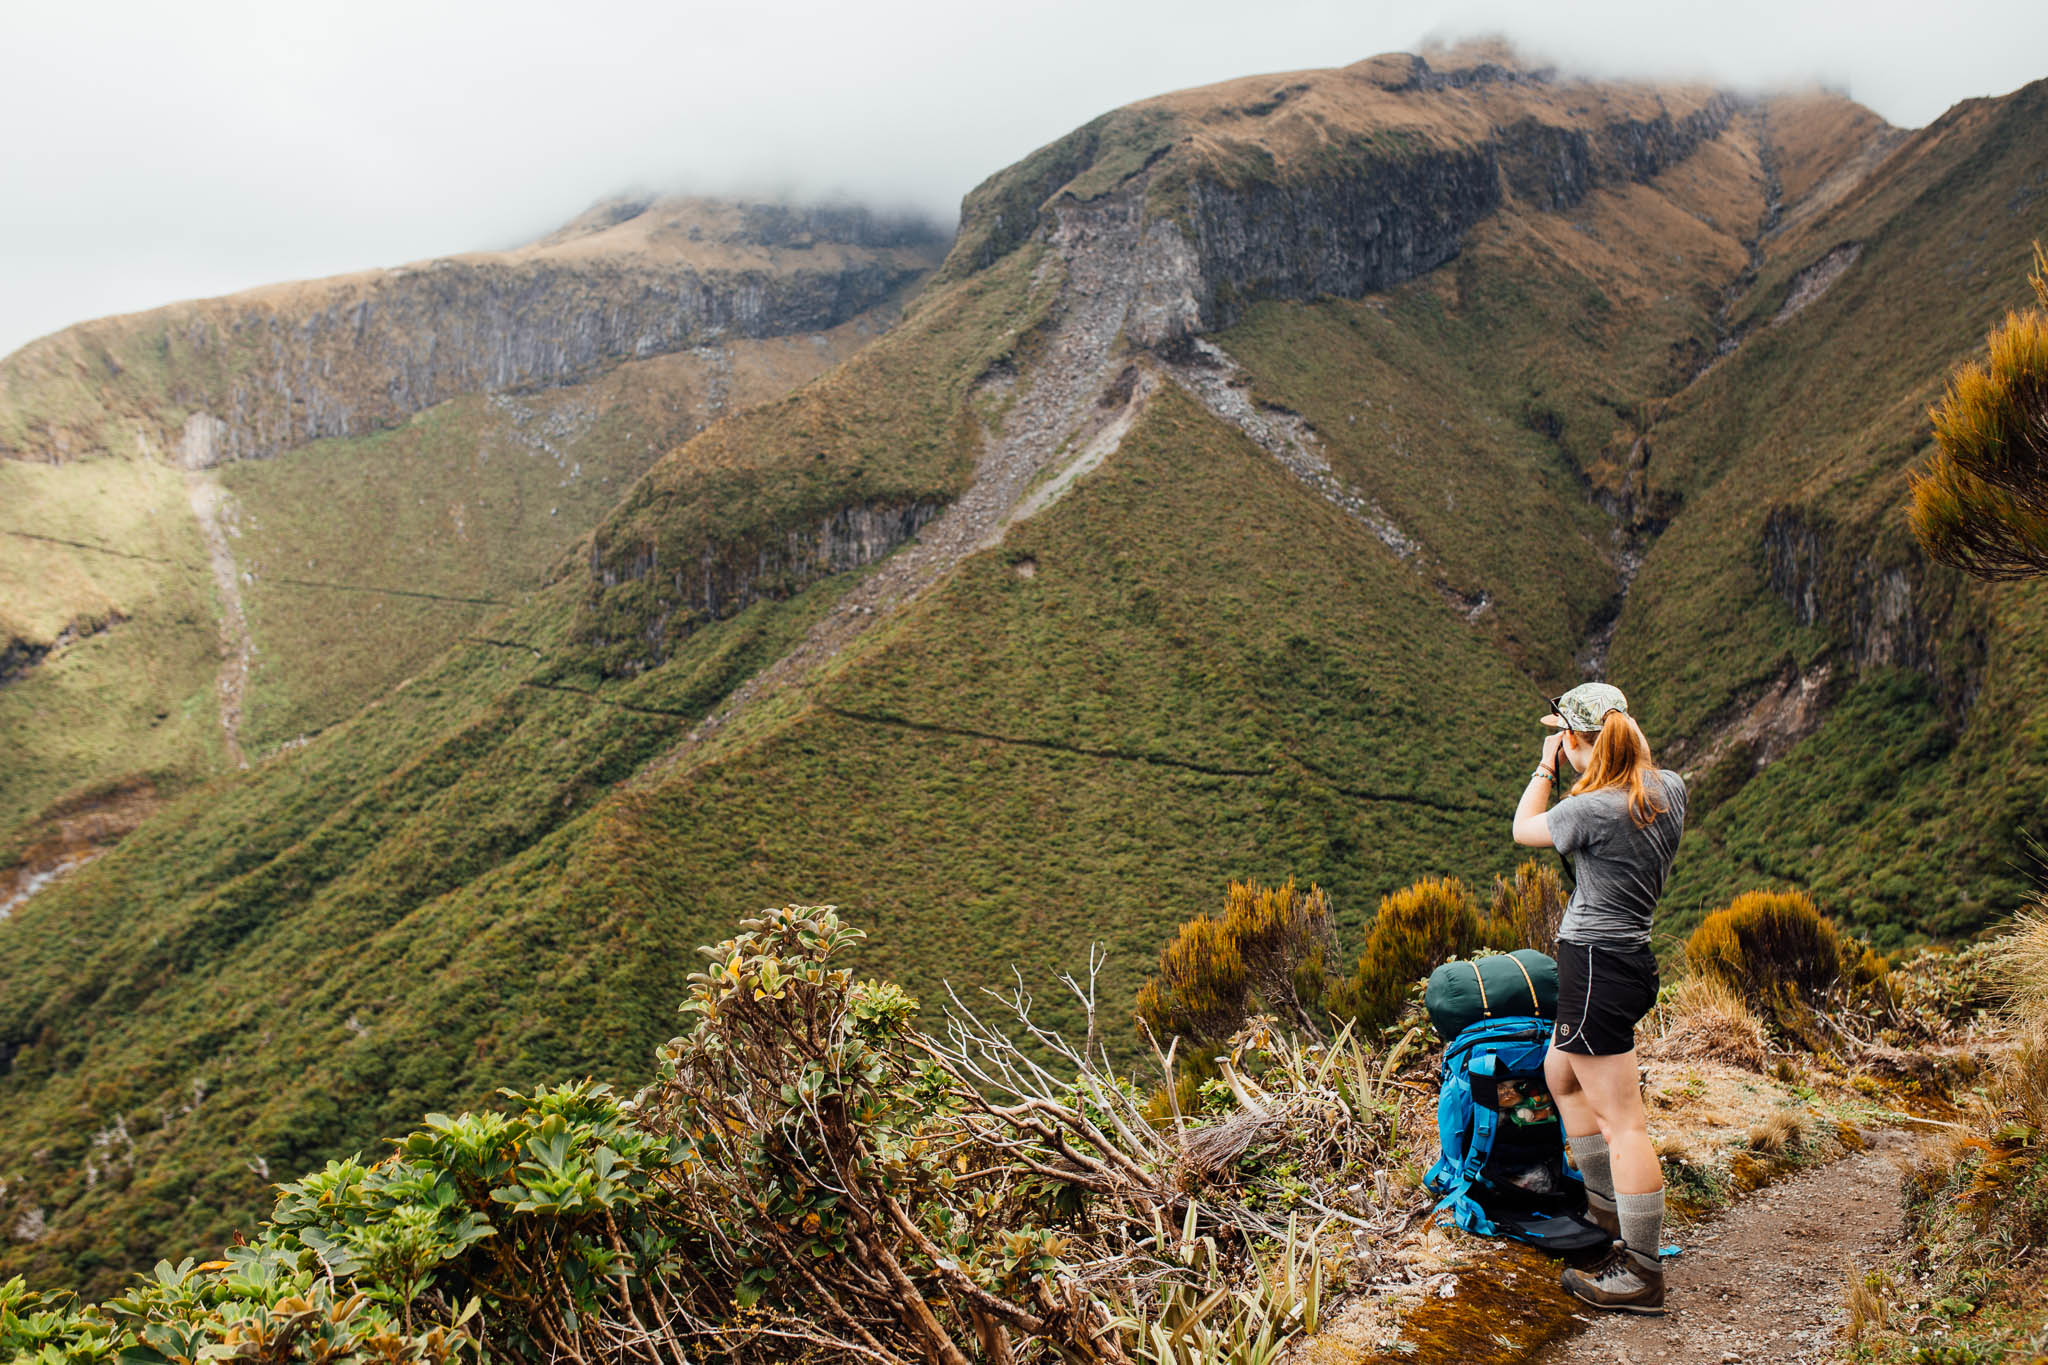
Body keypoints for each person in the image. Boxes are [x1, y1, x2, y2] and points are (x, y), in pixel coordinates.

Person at [1510, 681, 1687, 1315]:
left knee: (1623, 1123)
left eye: (1567, 736)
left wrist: (1546, 764)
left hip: (1595, 966)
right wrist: (1581, 749)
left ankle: (1640, 1272)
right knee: (1562, 1074)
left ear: (1583, 742)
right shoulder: (1669, 789)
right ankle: (1606, 1216)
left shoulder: (1592, 809)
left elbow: (1524, 827)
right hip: (1631, 962)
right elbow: (1617, 777)